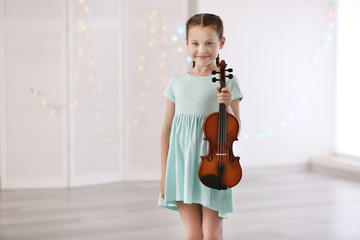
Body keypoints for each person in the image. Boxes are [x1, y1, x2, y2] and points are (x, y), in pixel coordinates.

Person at [158, 13, 243, 240]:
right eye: (195, 43)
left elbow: (235, 129)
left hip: (215, 165)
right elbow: (166, 129)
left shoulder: (228, 82)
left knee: (212, 234)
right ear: (186, 43)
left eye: (209, 43)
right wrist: (165, 174)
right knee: (193, 233)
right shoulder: (176, 82)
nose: (201, 50)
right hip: (182, 165)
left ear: (221, 43)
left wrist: (228, 106)